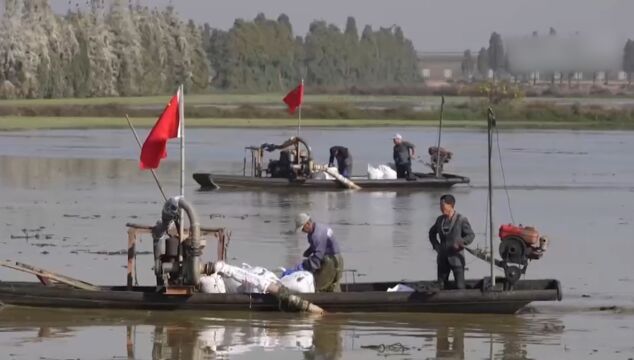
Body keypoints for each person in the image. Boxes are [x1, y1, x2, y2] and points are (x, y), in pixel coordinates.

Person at [283, 213, 344, 292]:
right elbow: (319, 246)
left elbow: (317, 258)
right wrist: (309, 251)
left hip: (332, 261)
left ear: (307, 224)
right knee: (332, 285)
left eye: (302, 228)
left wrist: (303, 266)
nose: (302, 231)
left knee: (318, 285)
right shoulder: (316, 229)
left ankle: (331, 301)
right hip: (334, 258)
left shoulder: (317, 235)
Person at [428, 194, 475, 289]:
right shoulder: (440, 220)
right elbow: (431, 233)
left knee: (460, 286)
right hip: (442, 259)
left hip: (457, 258)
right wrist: (436, 245)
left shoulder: (461, 219)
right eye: (440, 206)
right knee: (440, 286)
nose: (441, 208)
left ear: (451, 205)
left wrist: (461, 242)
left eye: (443, 205)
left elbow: (470, 235)